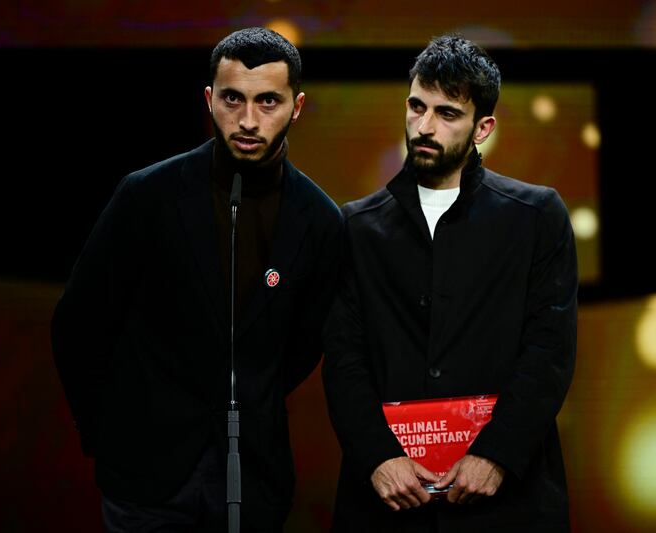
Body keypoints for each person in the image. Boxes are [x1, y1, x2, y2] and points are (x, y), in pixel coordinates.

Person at [51, 27, 342, 532]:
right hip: (145, 476)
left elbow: (302, 347)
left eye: (267, 101)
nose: (248, 119)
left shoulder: (320, 220)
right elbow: (80, 324)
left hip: (253, 478)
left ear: (296, 107)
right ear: (209, 99)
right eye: (233, 98)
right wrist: (108, 436)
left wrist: (248, 386)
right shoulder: (147, 195)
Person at [322, 34, 577, 532]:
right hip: (388, 499)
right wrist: (378, 457)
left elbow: (549, 352)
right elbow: (344, 357)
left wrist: (496, 455)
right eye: (417, 107)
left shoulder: (536, 215)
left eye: (447, 113)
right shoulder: (355, 227)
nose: (425, 125)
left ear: (484, 127)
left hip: (506, 501)